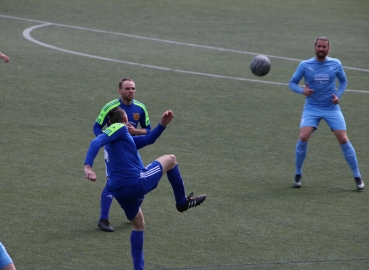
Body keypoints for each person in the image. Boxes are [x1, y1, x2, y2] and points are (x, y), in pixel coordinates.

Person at [84, 107, 206, 270]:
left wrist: (162, 125)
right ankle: (182, 203)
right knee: (171, 159)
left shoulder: (121, 140)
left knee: (139, 224)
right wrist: (88, 166)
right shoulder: (119, 128)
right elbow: (95, 141)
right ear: (126, 120)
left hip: (119, 192)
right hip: (134, 182)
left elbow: (149, 139)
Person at [289, 36, 364, 190]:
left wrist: (338, 96)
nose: (321, 49)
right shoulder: (305, 65)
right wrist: (302, 91)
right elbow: (292, 83)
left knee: (343, 138)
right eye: (319, 46)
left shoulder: (335, 64)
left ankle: (357, 176)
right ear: (315, 48)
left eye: (324, 47)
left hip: (331, 108)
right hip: (312, 107)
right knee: (303, 136)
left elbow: (343, 81)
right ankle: (298, 174)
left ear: (329, 49)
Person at [93, 78, 151, 232]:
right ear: (120, 91)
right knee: (112, 181)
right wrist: (106, 140)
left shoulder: (140, 108)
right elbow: (97, 126)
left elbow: (148, 130)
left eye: (132, 88)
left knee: (141, 178)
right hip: (113, 149)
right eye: (127, 89)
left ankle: (133, 211)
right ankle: (103, 218)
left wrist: (136, 132)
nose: (130, 91)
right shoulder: (111, 108)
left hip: (131, 150)